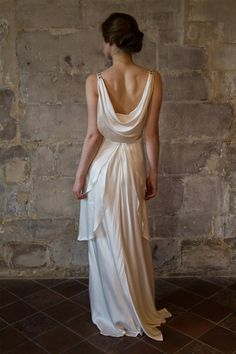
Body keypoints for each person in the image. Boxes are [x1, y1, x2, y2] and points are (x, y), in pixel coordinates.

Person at [72, 12, 172, 341]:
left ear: (111, 42)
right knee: (132, 235)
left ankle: (113, 310)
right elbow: (151, 135)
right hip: (132, 164)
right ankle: (136, 306)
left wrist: (80, 176)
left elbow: (93, 136)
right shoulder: (153, 78)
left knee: (105, 239)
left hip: (103, 168)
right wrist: (153, 172)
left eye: (104, 39)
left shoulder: (95, 81)